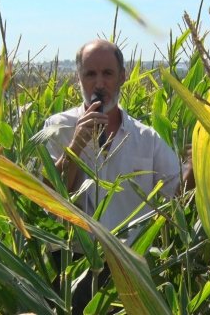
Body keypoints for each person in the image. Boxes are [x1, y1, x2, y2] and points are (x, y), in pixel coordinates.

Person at [43, 39, 194, 313]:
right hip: (72, 267)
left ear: (122, 77)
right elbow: (48, 197)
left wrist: (197, 166)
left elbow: (175, 198)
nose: (99, 83)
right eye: (90, 74)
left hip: (126, 270)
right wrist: (76, 144)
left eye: (107, 73)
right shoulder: (58, 127)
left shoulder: (145, 138)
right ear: (79, 78)